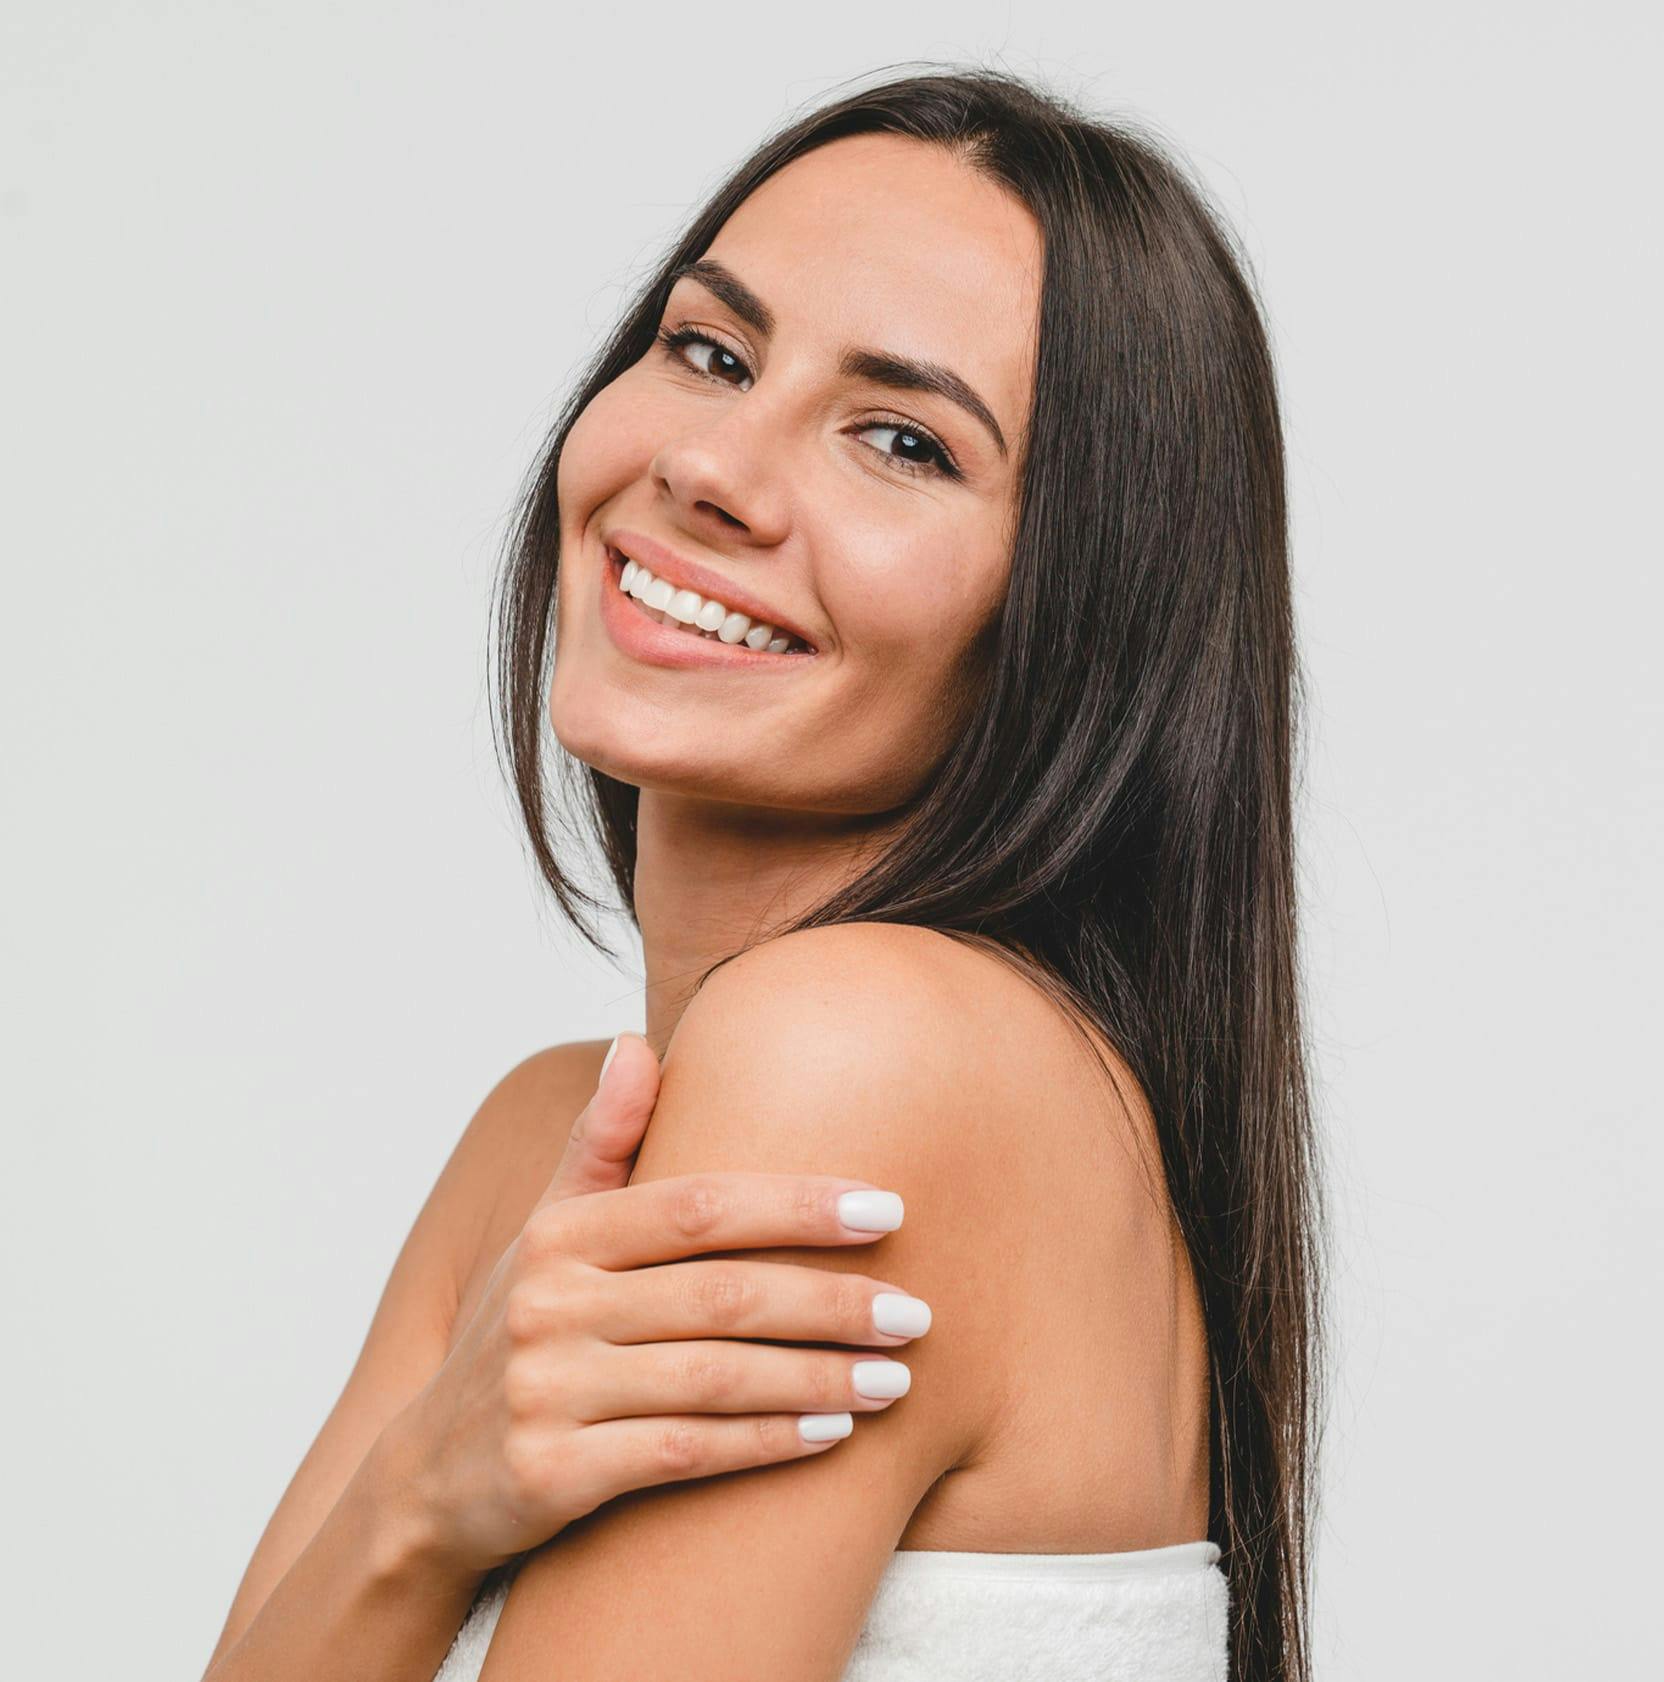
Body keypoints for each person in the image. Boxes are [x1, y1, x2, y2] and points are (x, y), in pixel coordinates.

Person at [202, 64, 1323, 1682]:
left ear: (1073, 624)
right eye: (711, 350)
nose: (716, 466)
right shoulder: (546, 1131)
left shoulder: (859, 1062)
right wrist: (419, 1503)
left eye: (901, 440)